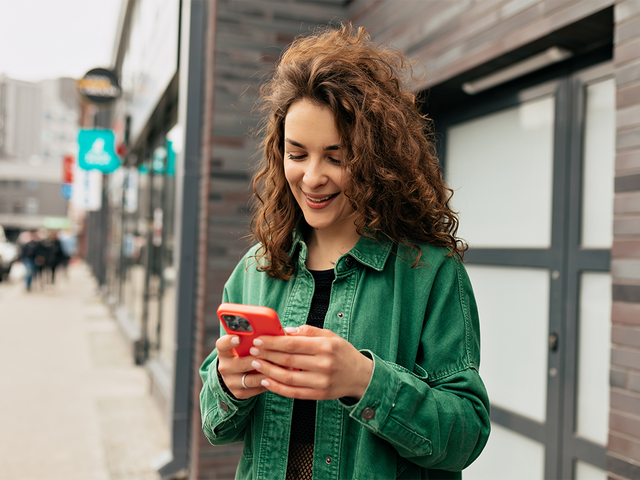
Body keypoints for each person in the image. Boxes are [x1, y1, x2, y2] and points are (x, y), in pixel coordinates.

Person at [199, 24, 490, 480]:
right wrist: (228, 386)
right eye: (297, 154)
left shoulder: (430, 273)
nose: (312, 178)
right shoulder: (256, 269)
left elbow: (466, 434)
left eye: (337, 157)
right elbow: (215, 426)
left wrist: (363, 380)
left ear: (378, 161)